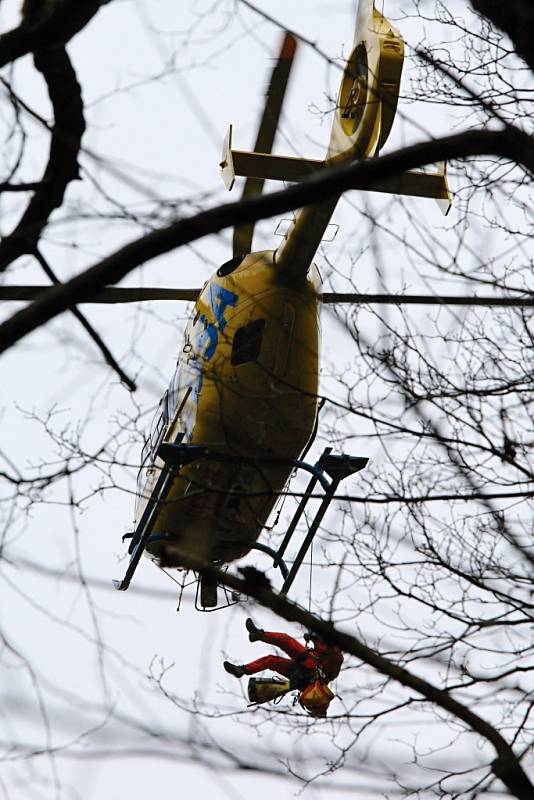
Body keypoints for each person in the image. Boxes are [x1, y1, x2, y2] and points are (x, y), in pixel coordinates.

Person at [224, 618, 343, 692]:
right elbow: (322, 647)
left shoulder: (336, 655)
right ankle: (242, 670)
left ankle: (259, 635)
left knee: (286, 641)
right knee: (272, 660)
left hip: (310, 674)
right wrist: (313, 637)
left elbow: (330, 651)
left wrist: (314, 637)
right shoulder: (325, 649)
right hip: (300, 672)